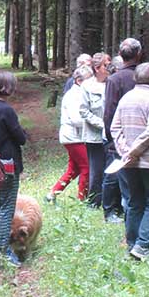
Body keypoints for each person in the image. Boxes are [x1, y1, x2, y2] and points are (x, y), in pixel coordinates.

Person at [111, 62, 149, 261]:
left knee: (134, 202)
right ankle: (142, 245)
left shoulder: (126, 97)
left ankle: (132, 243)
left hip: (128, 161)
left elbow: (114, 128)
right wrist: (133, 152)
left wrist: (125, 151)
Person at [102, 38, 143, 223]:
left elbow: (108, 112)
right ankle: (113, 210)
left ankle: (114, 210)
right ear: (139, 54)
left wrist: (112, 137)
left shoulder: (115, 79)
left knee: (117, 173)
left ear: (120, 55)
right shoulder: (144, 76)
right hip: (141, 136)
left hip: (120, 137)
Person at [0, 71, 28, 267]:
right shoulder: (6, 111)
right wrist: (22, 132)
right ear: (9, 88)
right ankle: (4, 249)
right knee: (7, 207)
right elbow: (20, 138)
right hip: (8, 164)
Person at [48, 66, 93, 202]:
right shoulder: (74, 95)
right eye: (89, 80)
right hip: (73, 137)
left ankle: (52, 194)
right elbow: (76, 119)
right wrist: (94, 122)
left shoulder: (80, 93)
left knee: (74, 169)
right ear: (79, 81)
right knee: (87, 167)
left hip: (75, 136)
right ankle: (82, 199)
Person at [80, 52, 110, 208]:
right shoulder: (87, 86)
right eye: (106, 65)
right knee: (96, 171)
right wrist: (102, 124)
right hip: (94, 136)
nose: (109, 67)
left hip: (112, 135)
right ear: (97, 68)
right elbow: (84, 111)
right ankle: (94, 202)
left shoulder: (112, 83)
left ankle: (110, 201)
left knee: (111, 170)